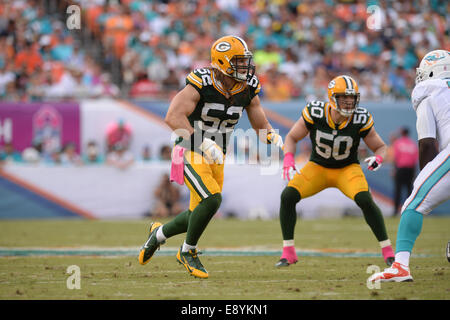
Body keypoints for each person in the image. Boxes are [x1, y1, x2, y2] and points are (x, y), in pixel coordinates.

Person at [138, 35, 284, 279]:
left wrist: (272, 137)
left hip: (218, 154)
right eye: (238, 62)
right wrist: (202, 143)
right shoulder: (202, 81)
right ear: (222, 62)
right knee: (213, 200)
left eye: (244, 61)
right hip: (189, 148)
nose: (244, 67)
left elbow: (259, 119)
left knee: (199, 211)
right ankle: (188, 251)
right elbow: (173, 117)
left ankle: (159, 234)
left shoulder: (247, 86)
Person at [276, 75, 395, 268]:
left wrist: (379, 157)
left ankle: (388, 251)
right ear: (332, 98)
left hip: (347, 169)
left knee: (365, 199)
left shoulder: (360, 118)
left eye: (352, 98)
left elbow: (381, 146)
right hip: (318, 167)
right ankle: (288, 252)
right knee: (288, 196)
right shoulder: (315, 112)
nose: (349, 102)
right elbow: (291, 137)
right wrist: (288, 158)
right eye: (344, 98)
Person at [370, 50, 450, 283]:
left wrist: (425, 177)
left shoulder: (430, 91)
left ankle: (400, 266)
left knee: (413, 204)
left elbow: (426, 143)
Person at [392, 127, 418, 215]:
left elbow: (396, 157)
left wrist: (394, 169)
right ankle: (409, 210)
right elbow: (415, 159)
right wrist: (414, 172)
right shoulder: (413, 144)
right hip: (410, 170)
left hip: (400, 169)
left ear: (402, 133)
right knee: (409, 191)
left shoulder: (398, 143)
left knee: (398, 190)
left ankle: (396, 211)